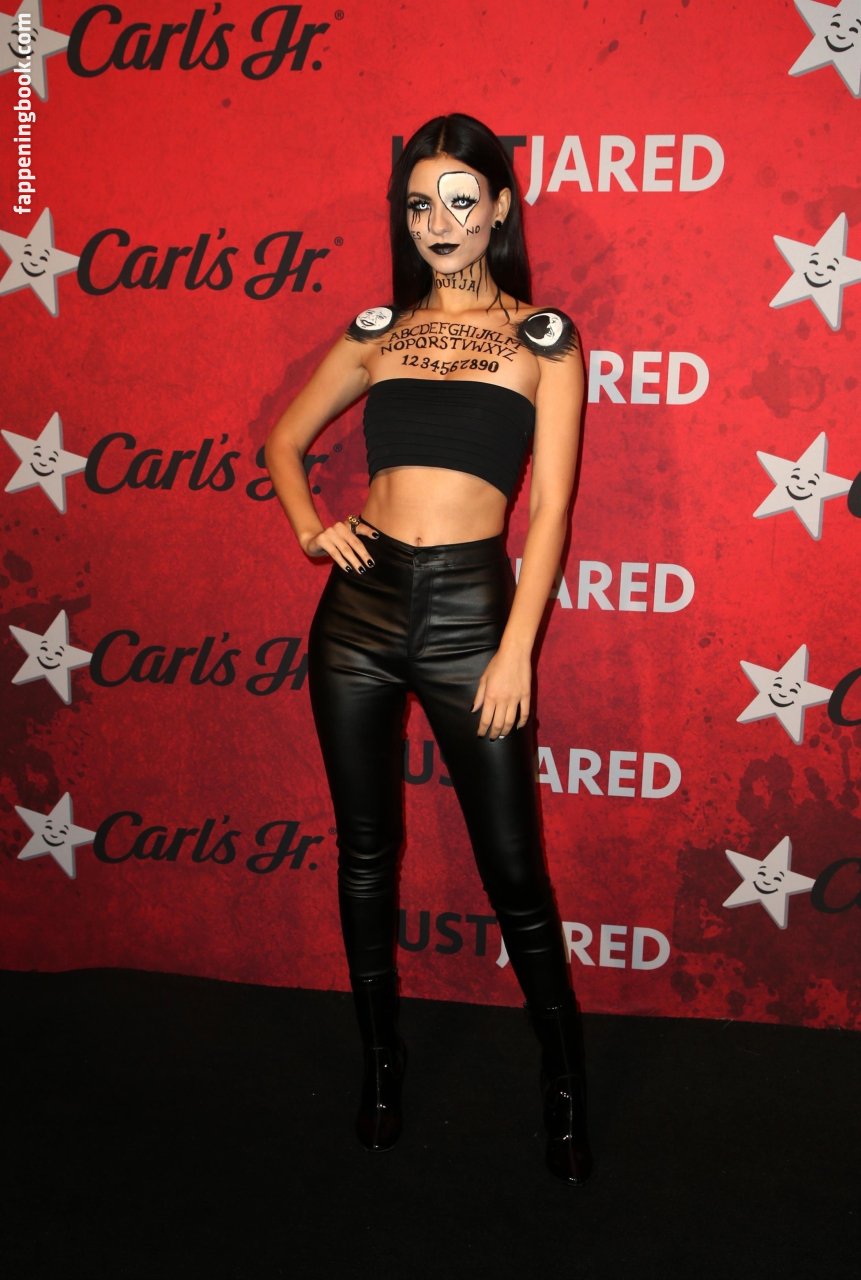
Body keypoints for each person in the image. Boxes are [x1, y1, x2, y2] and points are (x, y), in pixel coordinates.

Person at [264, 112, 591, 1185]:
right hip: (358, 609)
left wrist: (516, 649)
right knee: (366, 852)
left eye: (460, 199)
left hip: (470, 615)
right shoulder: (379, 330)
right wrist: (313, 528)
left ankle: (564, 1078)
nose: (439, 222)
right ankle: (381, 1062)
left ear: (500, 208)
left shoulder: (545, 339)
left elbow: (549, 512)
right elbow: (283, 440)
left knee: (513, 867)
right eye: (419, 203)